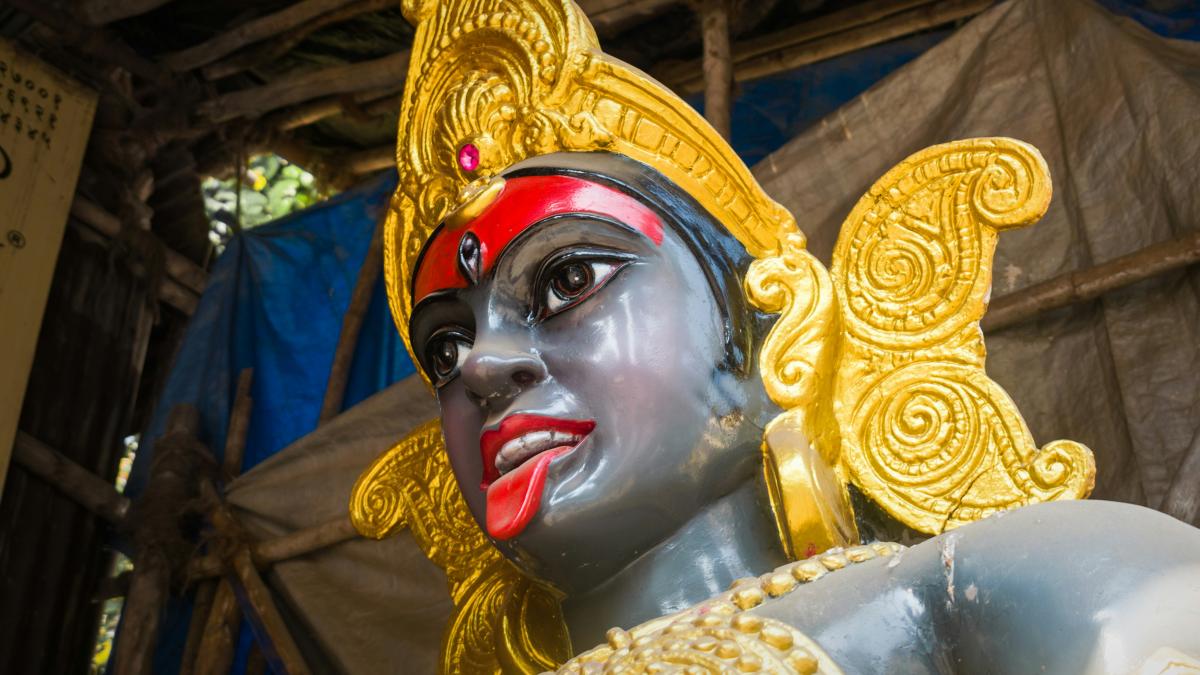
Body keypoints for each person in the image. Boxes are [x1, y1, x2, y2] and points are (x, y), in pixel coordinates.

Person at [350, 0, 1200, 672]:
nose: (484, 369)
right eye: (445, 349)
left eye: (567, 280)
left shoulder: (969, 593)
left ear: (766, 326)